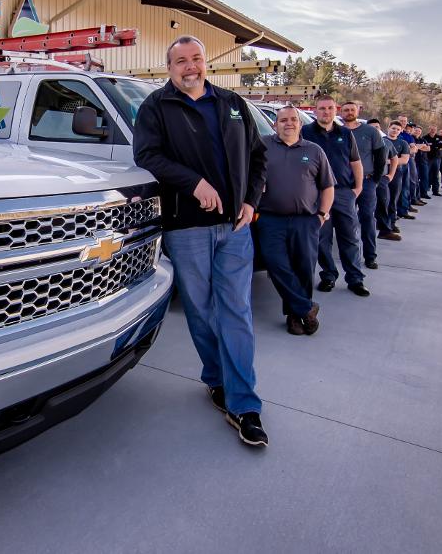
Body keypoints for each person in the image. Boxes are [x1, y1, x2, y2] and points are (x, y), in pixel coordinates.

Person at [133, 35, 270, 448]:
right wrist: (194, 184)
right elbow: (147, 156)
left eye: (196, 59)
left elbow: (259, 158)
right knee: (200, 310)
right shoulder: (155, 107)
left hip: (234, 228)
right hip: (186, 227)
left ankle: (244, 404)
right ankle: (216, 378)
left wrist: (250, 200)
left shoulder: (232, 104)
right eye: (180, 61)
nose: (189, 67)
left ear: (205, 63)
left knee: (236, 311)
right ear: (169, 66)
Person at [255, 106, 335, 335]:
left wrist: (322, 214)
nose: (288, 123)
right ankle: (307, 308)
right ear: (274, 124)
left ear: (300, 124)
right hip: (270, 220)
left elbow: (328, 186)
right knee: (275, 264)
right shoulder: (262, 146)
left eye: (293, 119)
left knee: (303, 268)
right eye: (283, 120)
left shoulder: (315, 150)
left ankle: (295, 316)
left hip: (306, 220)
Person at [300, 95, 370, 297]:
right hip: (316, 194)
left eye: (330, 108)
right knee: (322, 238)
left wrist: (357, 188)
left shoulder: (346, 134)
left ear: (335, 110)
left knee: (349, 237)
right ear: (315, 111)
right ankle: (328, 275)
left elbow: (355, 162)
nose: (326, 112)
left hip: (342, 193)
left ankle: (355, 279)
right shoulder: (305, 133)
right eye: (322, 108)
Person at [340, 101, 386, 268]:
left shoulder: (371, 131)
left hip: (366, 183)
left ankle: (370, 256)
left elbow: (381, 155)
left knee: (367, 218)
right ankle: (347, 256)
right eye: (346, 110)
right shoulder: (337, 131)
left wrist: (375, 179)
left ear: (358, 111)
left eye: (352, 109)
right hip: (343, 184)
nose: (349, 112)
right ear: (341, 112)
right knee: (342, 221)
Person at [368, 119, 401, 240]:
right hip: (364, 178)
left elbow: (395, 158)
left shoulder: (386, 143)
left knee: (383, 203)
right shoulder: (359, 142)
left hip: (381, 178)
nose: (374, 129)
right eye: (371, 127)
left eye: (377, 127)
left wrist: (391, 175)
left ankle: (385, 230)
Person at [386, 122, 414, 224]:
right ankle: (380, 222)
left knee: (393, 199)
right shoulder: (381, 140)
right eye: (393, 128)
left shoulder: (403, 143)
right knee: (380, 199)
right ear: (388, 128)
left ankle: (391, 223)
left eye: (398, 129)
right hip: (381, 173)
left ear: (401, 131)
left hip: (396, 173)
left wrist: (388, 161)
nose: (395, 131)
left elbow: (404, 160)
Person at [412, 125, 432, 201]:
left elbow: (428, 149)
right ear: (413, 130)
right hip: (415, 161)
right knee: (416, 179)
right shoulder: (412, 138)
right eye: (416, 130)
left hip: (423, 161)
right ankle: (415, 195)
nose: (417, 132)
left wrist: (419, 147)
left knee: (425, 177)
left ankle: (424, 193)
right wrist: (422, 146)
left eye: (419, 131)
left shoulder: (423, 139)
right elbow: (414, 147)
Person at [425, 123, 442, 196]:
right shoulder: (425, 137)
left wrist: (433, 146)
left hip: (436, 158)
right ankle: (425, 190)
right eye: (431, 129)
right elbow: (426, 147)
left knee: (435, 175)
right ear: (429, 129)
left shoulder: (439, 137)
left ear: (436, 130)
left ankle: (435, 191)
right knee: (426, 174)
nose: (433, 131)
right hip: (427, 158)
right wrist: (435, 146)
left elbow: (441, 146)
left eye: (434, 129)